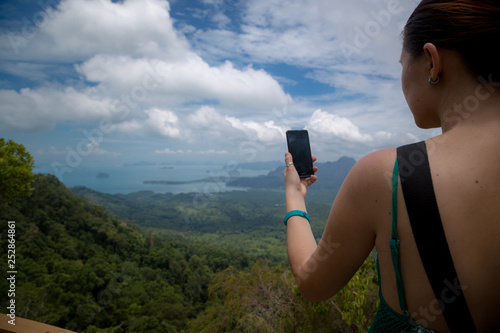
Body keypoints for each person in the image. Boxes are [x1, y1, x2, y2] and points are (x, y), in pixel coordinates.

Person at [283, 0, 500, 332]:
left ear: (432, 62)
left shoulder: (390, 175)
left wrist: (294, 197)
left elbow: (313, 284)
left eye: (402, 64)